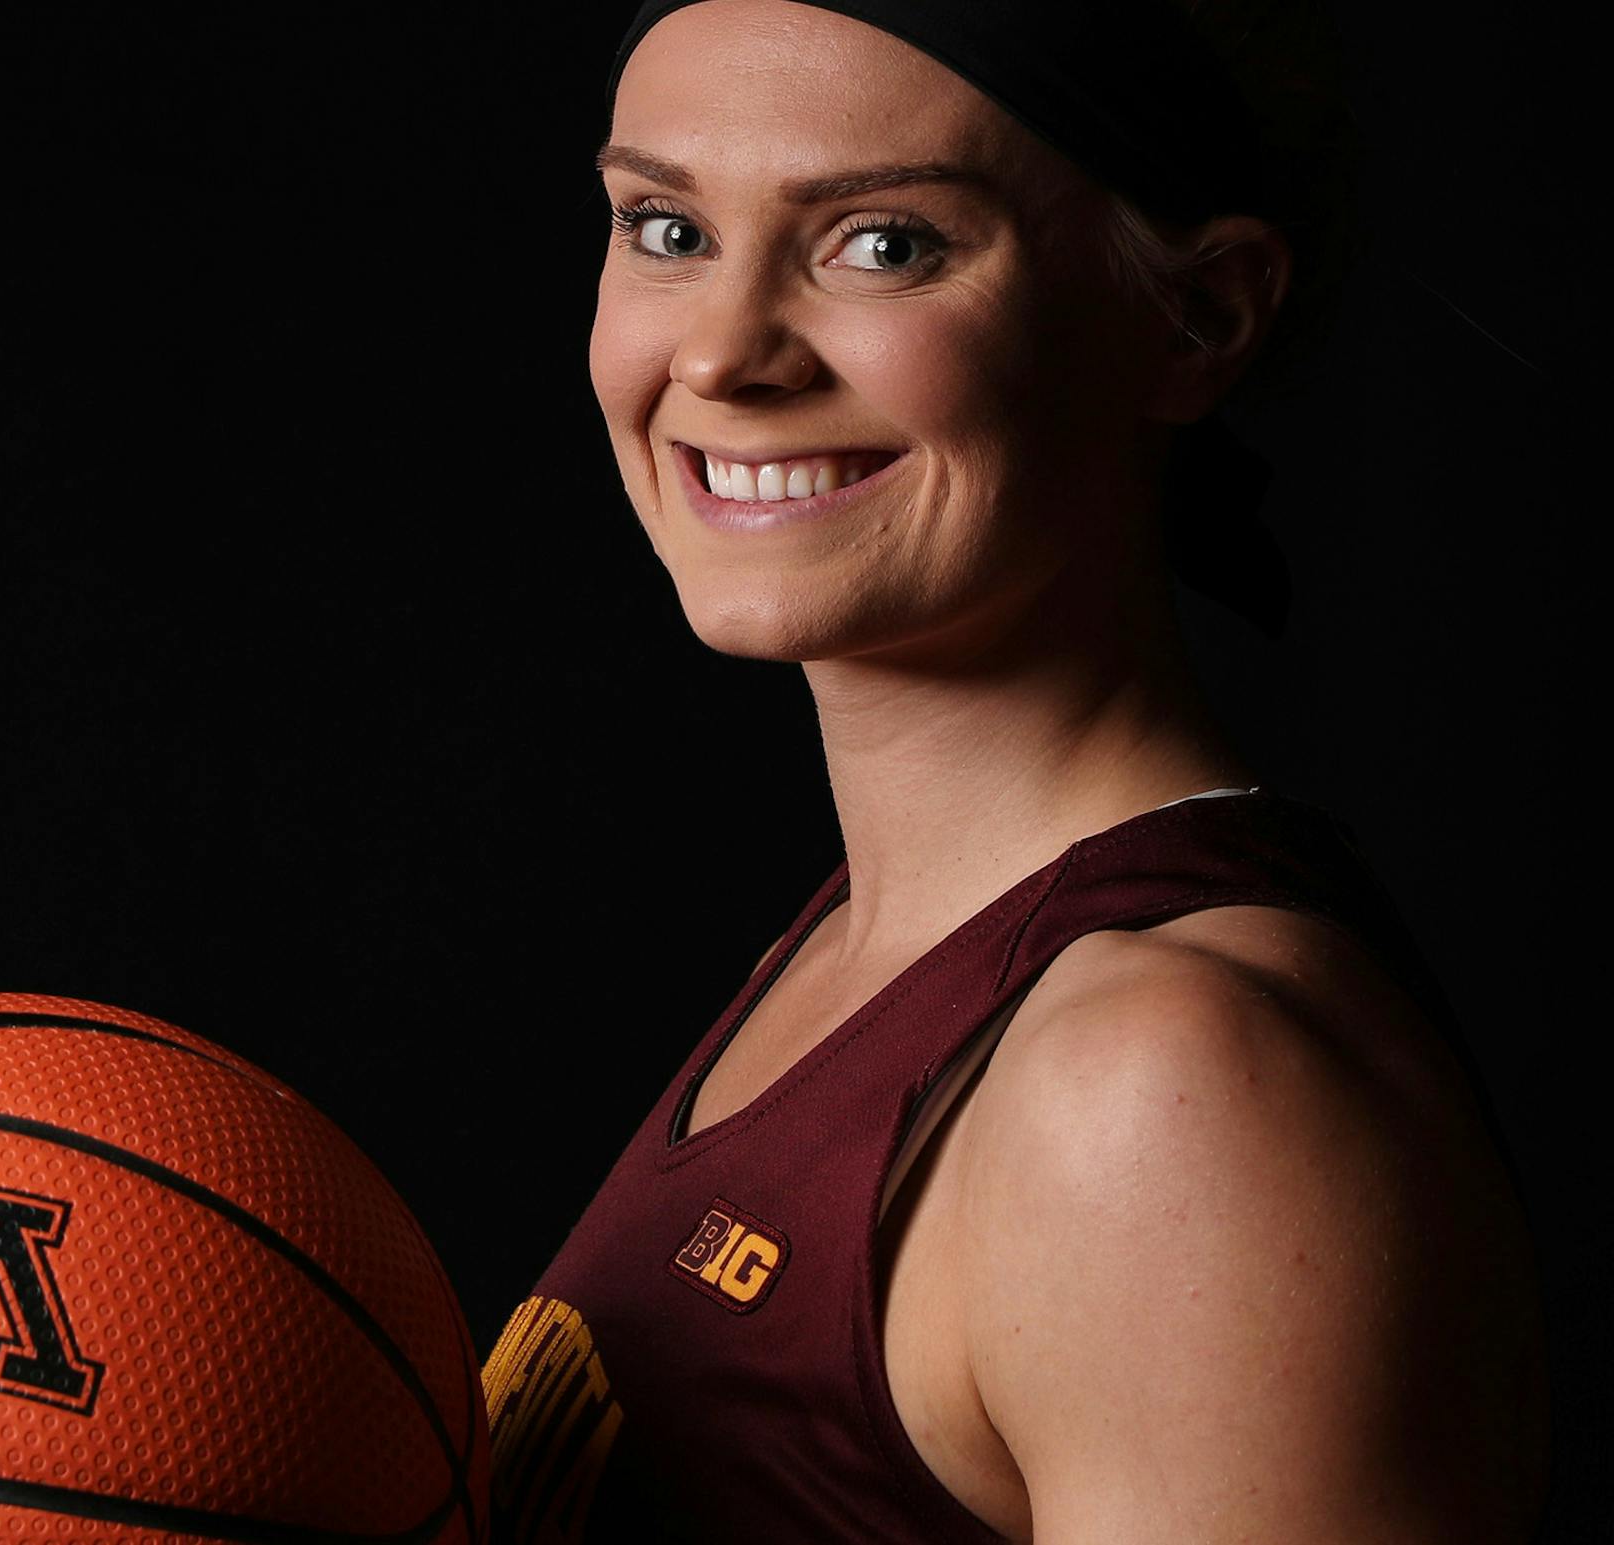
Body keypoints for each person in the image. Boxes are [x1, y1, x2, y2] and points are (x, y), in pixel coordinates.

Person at [477, 2, 1550, 1540]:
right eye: (666, 226)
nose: (720, 352)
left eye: (884, 243)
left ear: (1198, 320)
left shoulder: (1163, 1094)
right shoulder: (879, 953)